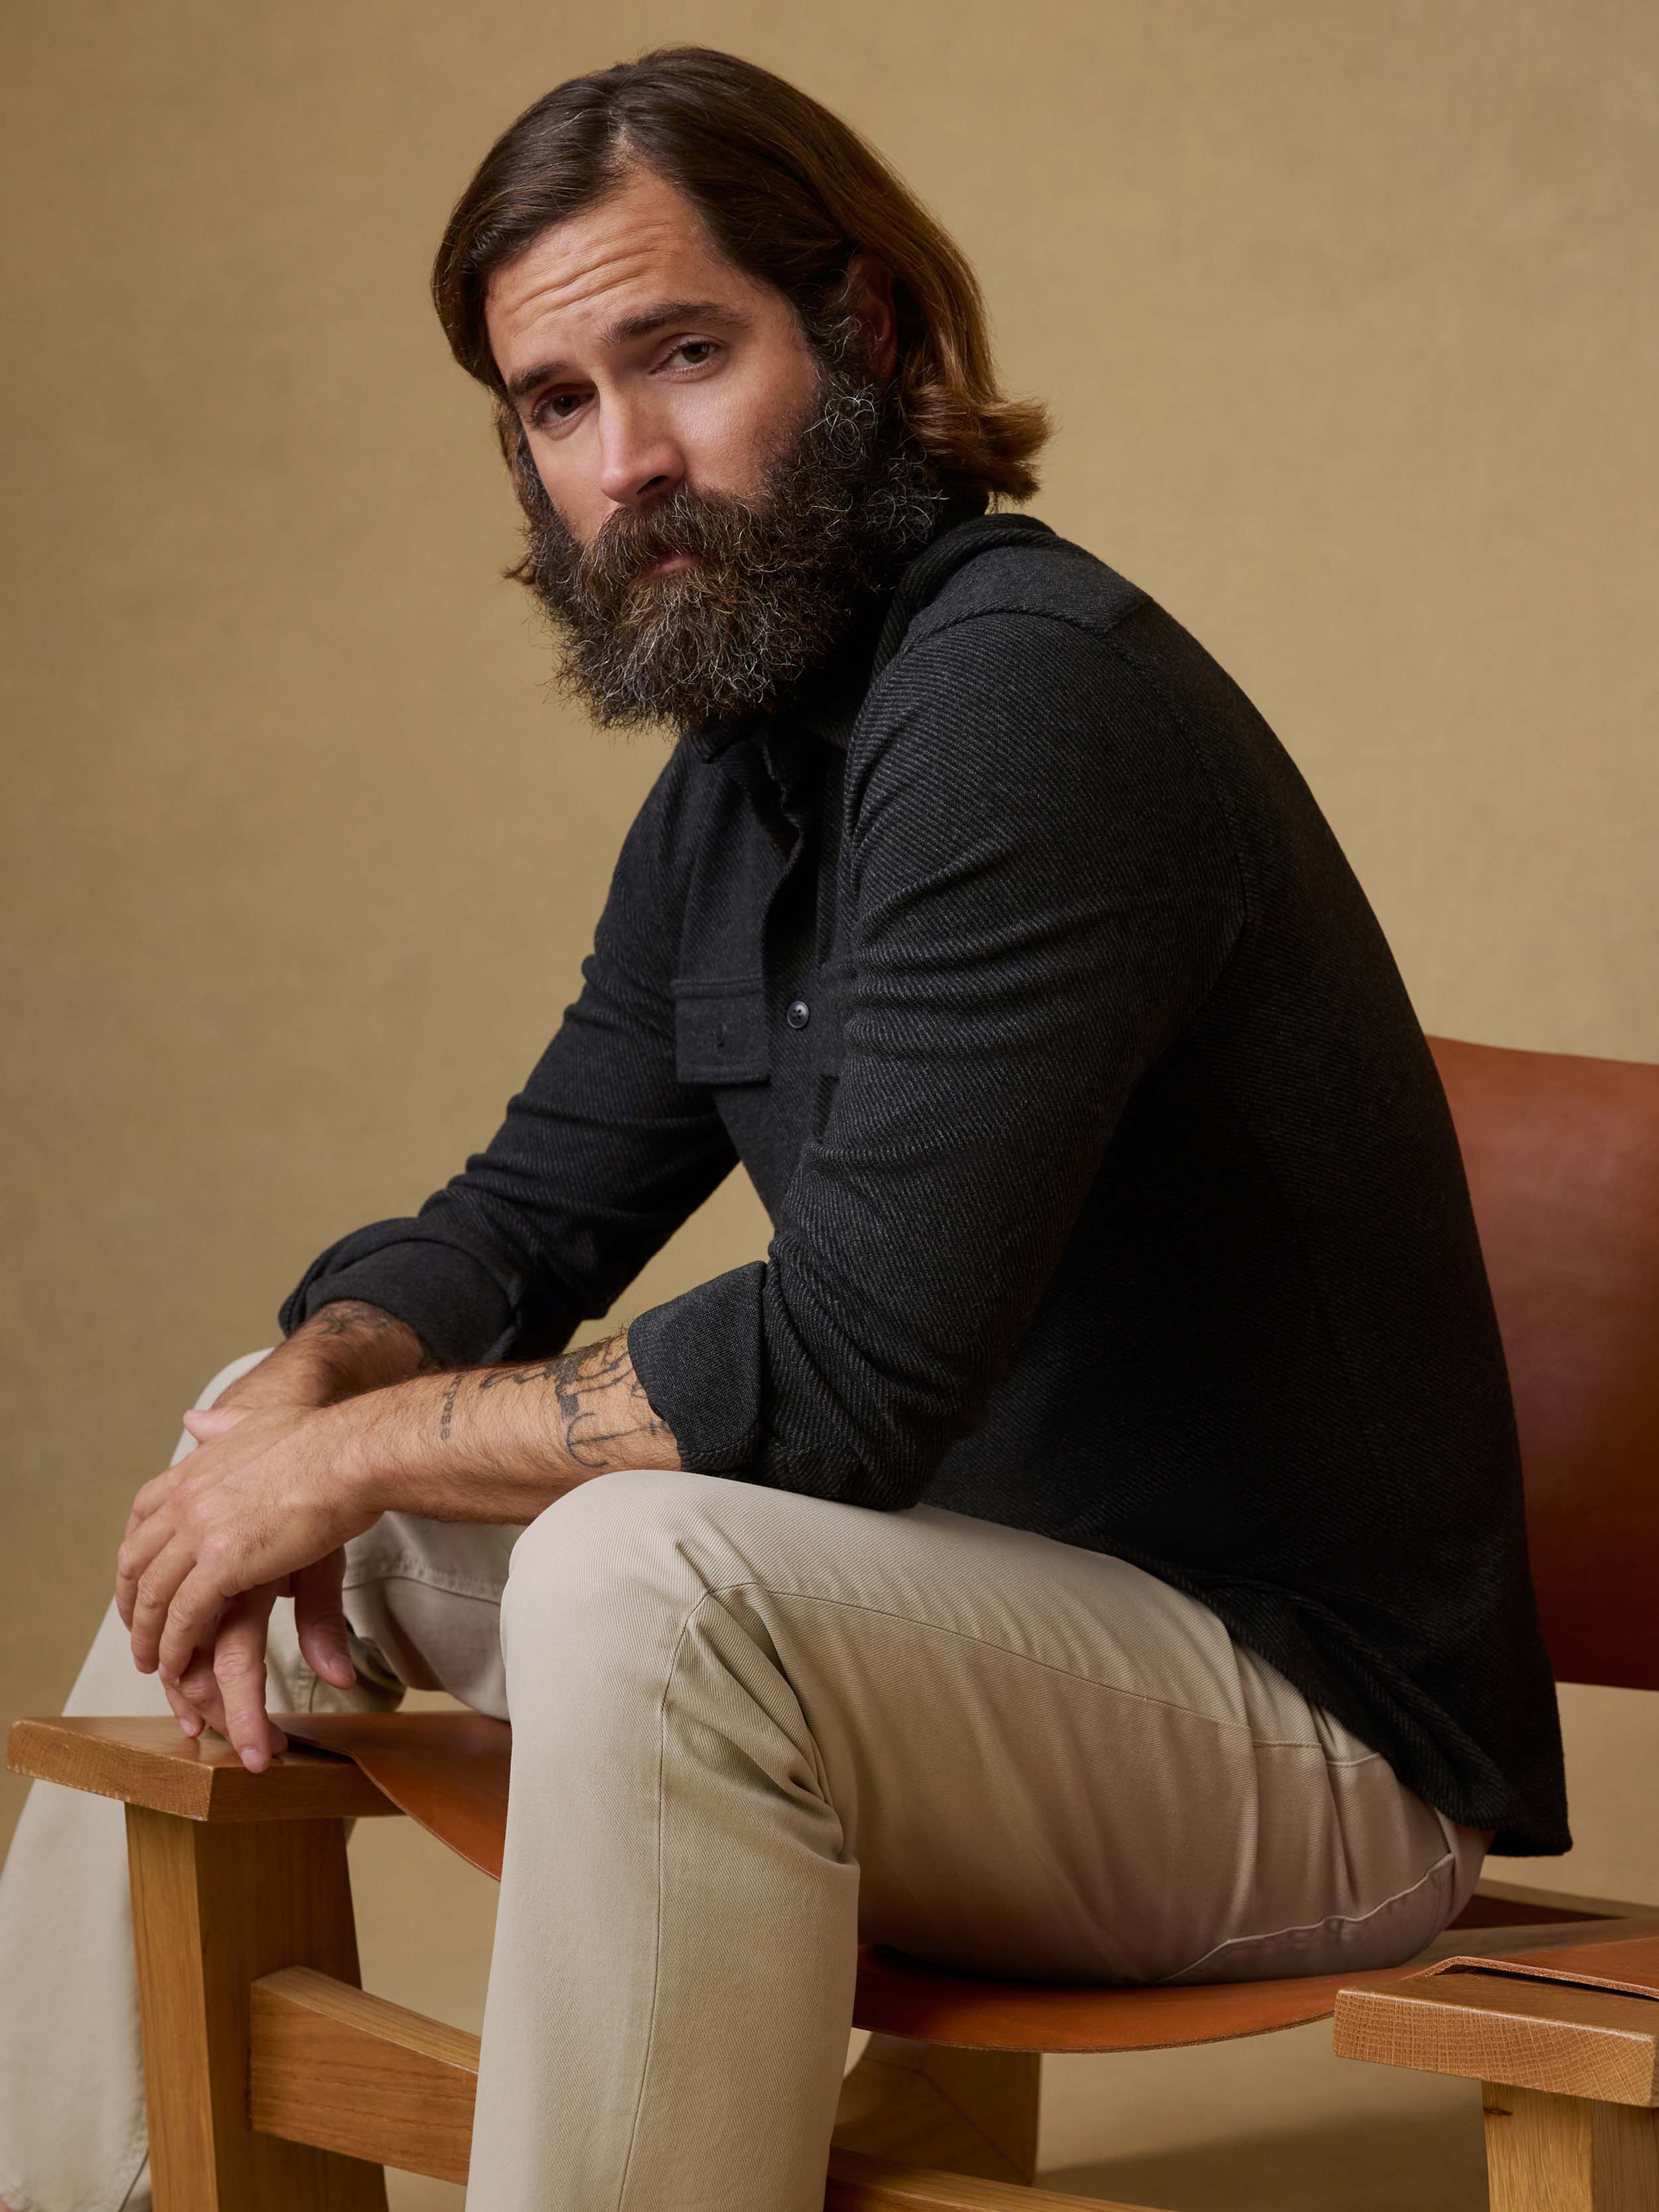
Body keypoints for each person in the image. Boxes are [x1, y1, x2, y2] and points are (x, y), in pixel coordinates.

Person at [0, 46, 1567, 2212]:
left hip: (1307, 1754)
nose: (626, 461)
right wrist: (315, 1385)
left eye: (682, 353)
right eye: (556, 404)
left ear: (863, 329)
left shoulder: (1028, 699)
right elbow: (530, 1208)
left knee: (644, 1569)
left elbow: (841, 1386)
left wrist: (363, 1446)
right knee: (237, 1450)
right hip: (955, 1672)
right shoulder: (740, 773)